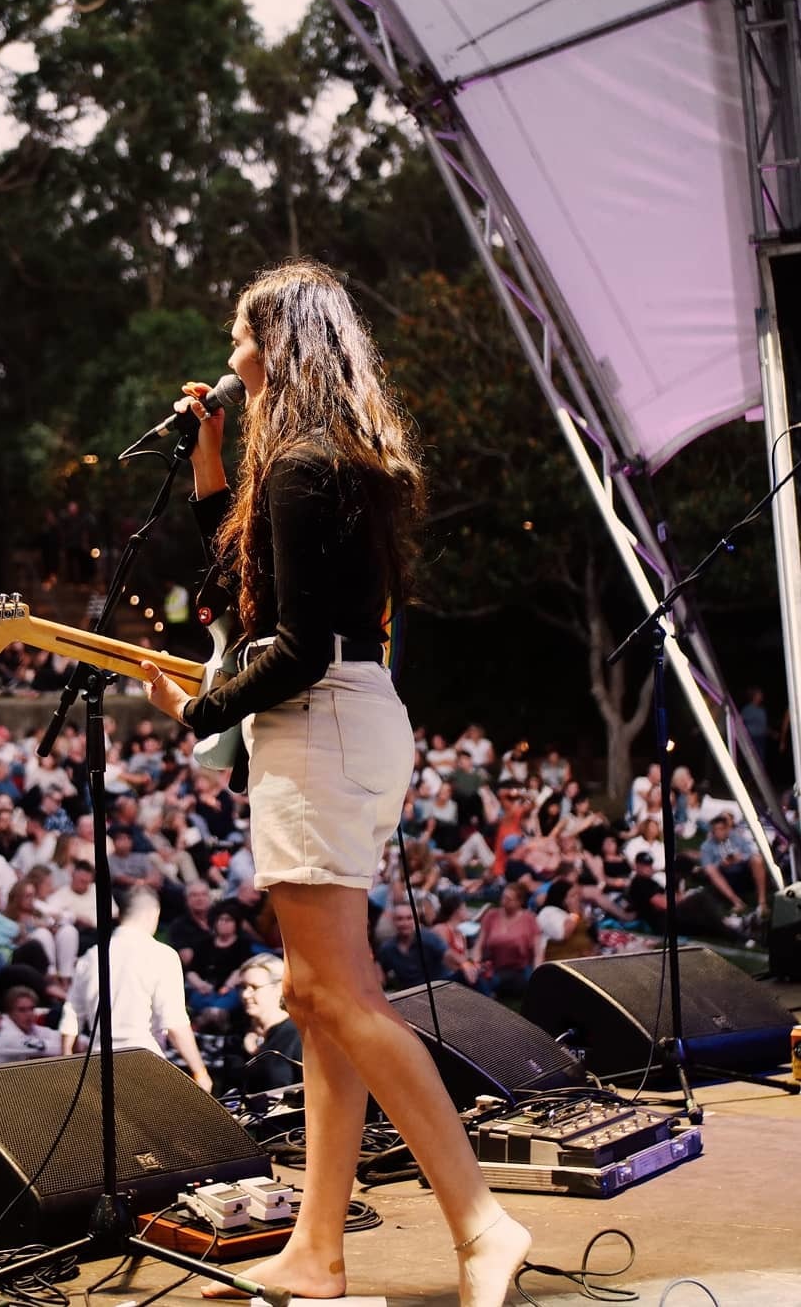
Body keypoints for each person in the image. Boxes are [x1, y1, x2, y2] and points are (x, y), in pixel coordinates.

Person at [140, 259, 529, 1304]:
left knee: (326, 994)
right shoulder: (323, 459)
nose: (229, 353)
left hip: (318, 726)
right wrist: (211, 456)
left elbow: (296, 647)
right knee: (320, 1003)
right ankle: (317, 1250)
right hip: (342, 723)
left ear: (276, 341)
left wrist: (199, 712)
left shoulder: (306, 466)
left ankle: (483, 1223)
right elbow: (250, 587)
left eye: (240, 333)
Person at [67, 887, 211, 1089]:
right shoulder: (161, 955)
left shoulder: (91, 957)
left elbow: (71, 1015)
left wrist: (68, 1065)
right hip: (144, 1063)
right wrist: (200, 1072)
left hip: (98, 1066)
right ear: (153, 914)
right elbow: (174, 1021)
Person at [239, 952, 303, 1094]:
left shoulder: (298, 1036)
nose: (245, 994)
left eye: (254, 987)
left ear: (279, 988)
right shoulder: (237, 1033)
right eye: (242, 987)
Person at [473, 883, 542, 999]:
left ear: (519, 902)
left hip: (518, 969)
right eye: (503, 897)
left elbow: (538, 953)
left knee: (497, 982)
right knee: (479, 978)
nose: (504, 901)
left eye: (509, 899)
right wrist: (476, 963)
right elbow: (479, 944)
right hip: (493, 966)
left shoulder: (529, 919)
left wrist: (537, 975)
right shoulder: (491, 915)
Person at [0, 984, 62, 1065]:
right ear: (10, 1013)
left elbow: (60, 1037)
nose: (29, 1014)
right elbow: (53, 1049)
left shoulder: (31, 1028)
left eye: (31, 1009)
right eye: (22, 1010)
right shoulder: (9, 1036)